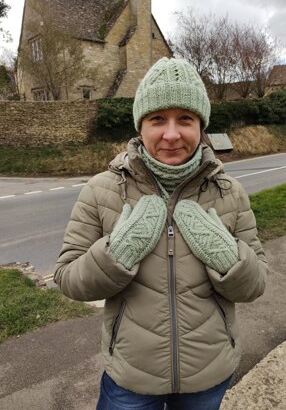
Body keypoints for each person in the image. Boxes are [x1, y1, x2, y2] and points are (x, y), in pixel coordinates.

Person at [54, 57, 268, 410]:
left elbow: (256, 284)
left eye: (185, 118)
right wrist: (117, 254)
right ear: (141, 126)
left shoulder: (230, 192)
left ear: (201, 125)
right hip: (130, 379)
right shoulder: (100, 190)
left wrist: (227, 256)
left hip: (208, 374)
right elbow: (67, 278)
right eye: (158, 119)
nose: (171, 134)